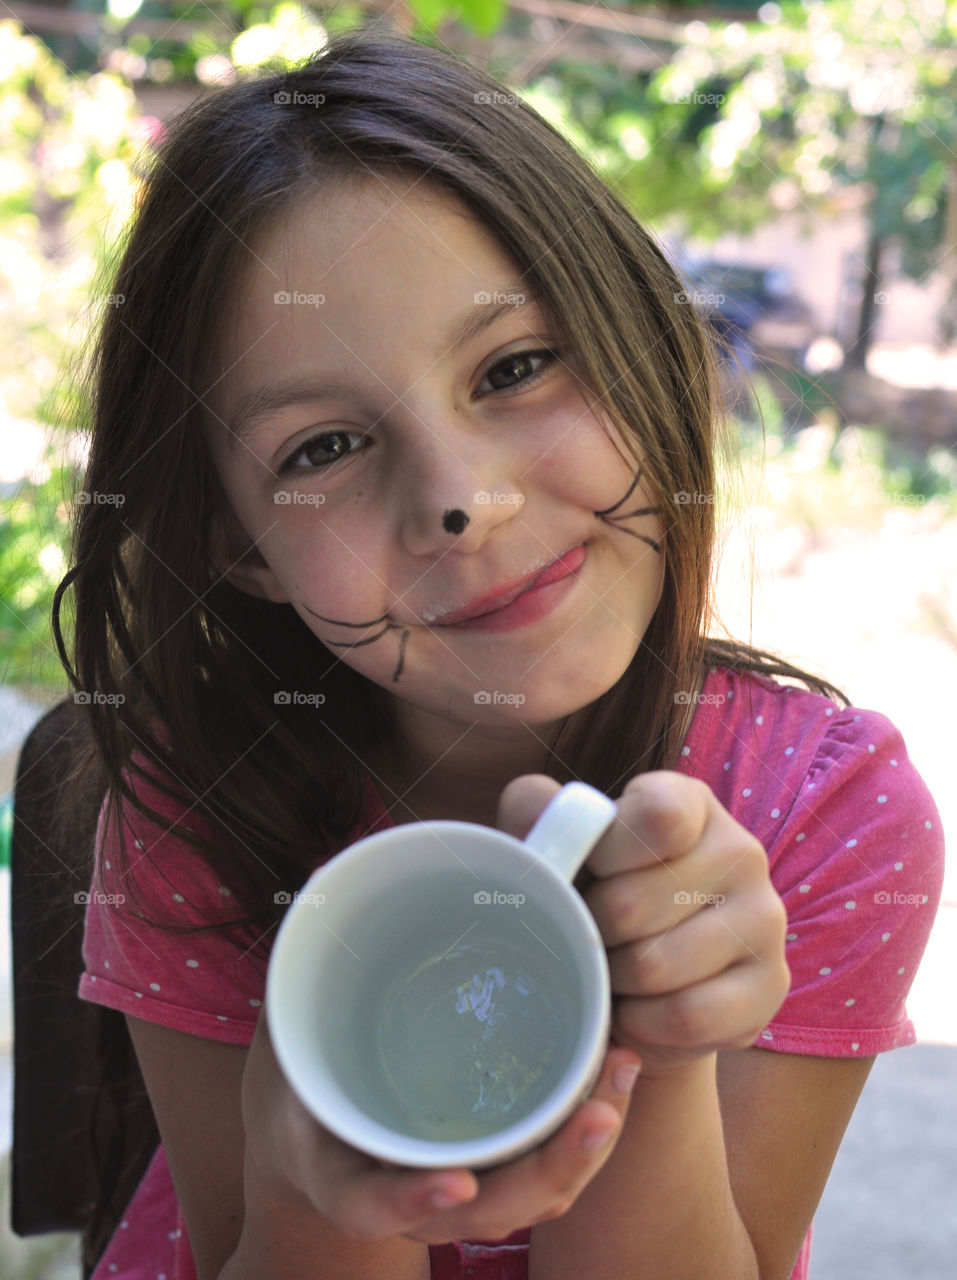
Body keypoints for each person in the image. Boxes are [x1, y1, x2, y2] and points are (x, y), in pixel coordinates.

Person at [53, 27, 944, 1280]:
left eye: (517, 365)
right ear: (238, 547)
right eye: (321, 449)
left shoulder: (830, 811)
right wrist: (315, 1175)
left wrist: (660, 1044)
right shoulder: (198, 806)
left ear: (645, 346)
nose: (461, 498)